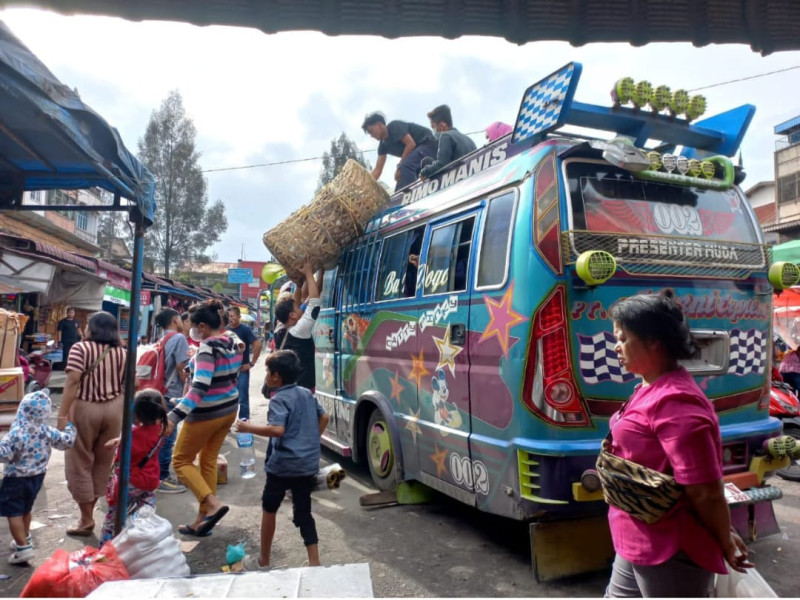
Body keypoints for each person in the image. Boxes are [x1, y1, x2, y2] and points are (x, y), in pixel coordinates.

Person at [604, 290, 752, 597]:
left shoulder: (678, 402)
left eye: (623, 338)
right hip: (635, 532)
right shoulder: (648, 386)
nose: (616, 346)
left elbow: (705, 491)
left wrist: (725, 539)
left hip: (670, 546)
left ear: (653, 340)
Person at [235, 350, 329, 570]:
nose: (266, 375)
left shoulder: (279, 399)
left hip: (283, 466)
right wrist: (312, 441)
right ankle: (314, 561)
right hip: (307, 464)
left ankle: (264, 560)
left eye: (268, 371)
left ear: (276, 376)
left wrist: (247, 427)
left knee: (269, 507)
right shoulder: (306, 393)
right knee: (304, 512)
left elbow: (277, 429)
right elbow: (324, 417)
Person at [166, 299, 241, 537]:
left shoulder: (208, 347)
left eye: (192, 325)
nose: (191, 330)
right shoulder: (230, 341)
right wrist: (193, 363)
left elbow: (199, 388)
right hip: (229, 409)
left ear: (202, 326)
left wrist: (174, 417)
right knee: (207, 460)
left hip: (206, 413)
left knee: (180, 461)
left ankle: (212, 505)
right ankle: (203, 518)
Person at [58, 311, 127, 537]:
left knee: (79, 460)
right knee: (103, 462)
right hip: (114, 409)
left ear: (92, 328)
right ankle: (89, 512)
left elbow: (72, 381)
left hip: (86, 408)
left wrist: (62, 414)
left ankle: (86, 519)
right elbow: (133, 383)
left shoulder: (80, 348)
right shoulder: (122, 352)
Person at [0, 390, 75, 564]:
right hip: (37, 478)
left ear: (22, 410)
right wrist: (71, 428)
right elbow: (66, 441)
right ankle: (25, 538)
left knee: (14, 513)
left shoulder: (16, 432)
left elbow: (5, 454)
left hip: (15, 479)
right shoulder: (46, 430)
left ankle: (23, 548)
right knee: (26, 509)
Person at [99, 390, 167, 545]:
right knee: (141, 513)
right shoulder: (161, 430)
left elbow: (121, 459)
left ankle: (104, 548)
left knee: (113, 518)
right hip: (150, 480)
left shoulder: (131, 433)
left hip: (130, 481)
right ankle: (138, 541)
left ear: (135, 412)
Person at [152, 308, 189, 494]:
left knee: (159, 433)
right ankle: (162, 477)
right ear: (175, 319)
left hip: (158, 391)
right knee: (168, 435)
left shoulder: (160, 338)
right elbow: (182, 366)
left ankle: (157, 473)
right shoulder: (179, 339)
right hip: (171, 392)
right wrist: (188, 391)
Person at [273, 262, 323, 392]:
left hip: (286, 388)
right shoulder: (299, 331)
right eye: (296, 307)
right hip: (302, 390)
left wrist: (299, 285)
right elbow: (314, 303)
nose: (300, 307)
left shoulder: (279, 329)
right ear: (292, 315)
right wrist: (308, 273)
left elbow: (305, 302)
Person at [362, 112, 437, 191]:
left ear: (379, 125)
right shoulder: (383, 146)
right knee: (400, 182)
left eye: (371, 131)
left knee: (404, 167)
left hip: (428, 145)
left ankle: (414, 194)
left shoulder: (394, 126)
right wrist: (365, 186)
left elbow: (410, 144)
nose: (371, 135)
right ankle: (399, 199)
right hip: (418, 156)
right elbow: (378, 169)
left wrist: (399, 166)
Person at [419, 105, 477, 179]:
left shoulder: (446, 136)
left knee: (426, 162)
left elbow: (442, 164)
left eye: (433, 127)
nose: (433, 131)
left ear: (442, 125)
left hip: (458, 179)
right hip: (474, 178)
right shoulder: (469, 140)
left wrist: (424, 172)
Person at [228, 307, 262, 421]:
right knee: (227, 398)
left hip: (242, 368)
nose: (231, 318)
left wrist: (251, 364)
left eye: (233, 316)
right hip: (227, 370)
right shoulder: (225, 330)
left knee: (242, 397)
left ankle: (244, 421)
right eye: (229, 316)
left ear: (239, 317)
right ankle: (227, 422)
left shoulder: (245, 330)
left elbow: (257, 344)